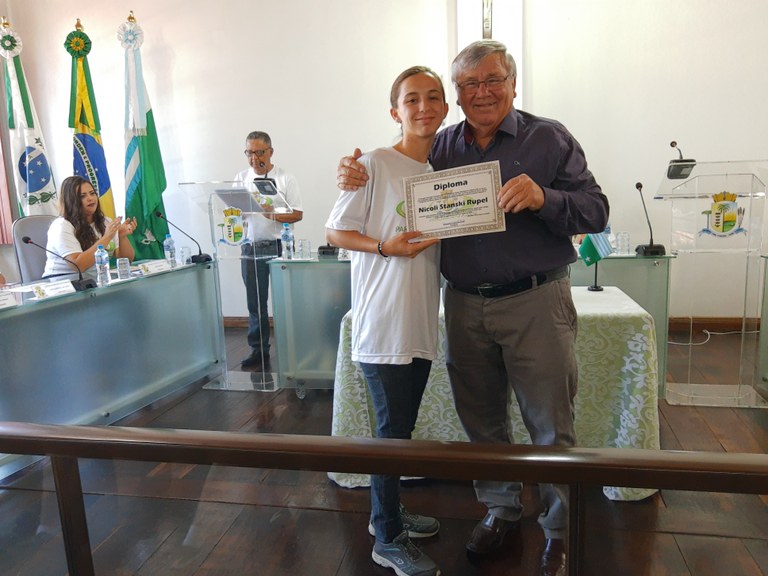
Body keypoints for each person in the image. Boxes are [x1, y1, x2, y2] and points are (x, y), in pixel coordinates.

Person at [336, 41, 609, 576]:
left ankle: (559, 530)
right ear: (456, 97)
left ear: (513, 83)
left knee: (551, 423)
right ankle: (501, 509)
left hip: (536, 299)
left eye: (493, 80)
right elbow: (390, 168)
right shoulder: (439, 147)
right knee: (481, 420)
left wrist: (545, 198)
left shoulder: (549, 138)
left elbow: (596, 210)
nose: (482, 92)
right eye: (469, 84)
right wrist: (353, 171)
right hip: (463, 304)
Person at [326, 66, 446, 576]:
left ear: (446, 108)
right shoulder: (373, 163)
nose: (423, 107)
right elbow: (335, 232)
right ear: (395, 111)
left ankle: (388, 514)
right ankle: (387, 537)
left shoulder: (441, 174)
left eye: (433, 97)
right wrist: (384, 247)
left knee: (400, 429)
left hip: (418, 322)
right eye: (411, 99)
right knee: (389, 434)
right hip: (383, 324)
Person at [234, 131, 303, 370]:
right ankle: (259, 350)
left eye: (259, 152)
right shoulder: (241, 178)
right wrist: (234, 214)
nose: (254, 158)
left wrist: (271, 213)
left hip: (279, 246)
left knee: (286, 302)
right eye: (249, 153)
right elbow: (234, 212)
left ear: (271, 152)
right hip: (250, 247)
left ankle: (293, 348)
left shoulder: (285, 178)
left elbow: (297, 214)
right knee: (256, 303)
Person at [43, 175, 136, 279]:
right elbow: (78, 265)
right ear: (71, 201)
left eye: (92, 193)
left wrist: (122, 236)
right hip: (63, 281)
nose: (90, 198)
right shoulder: (61, 226)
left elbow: (126, 259)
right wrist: (107, 237)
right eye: (82, 196)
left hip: (96, 279)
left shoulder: (106, 222)